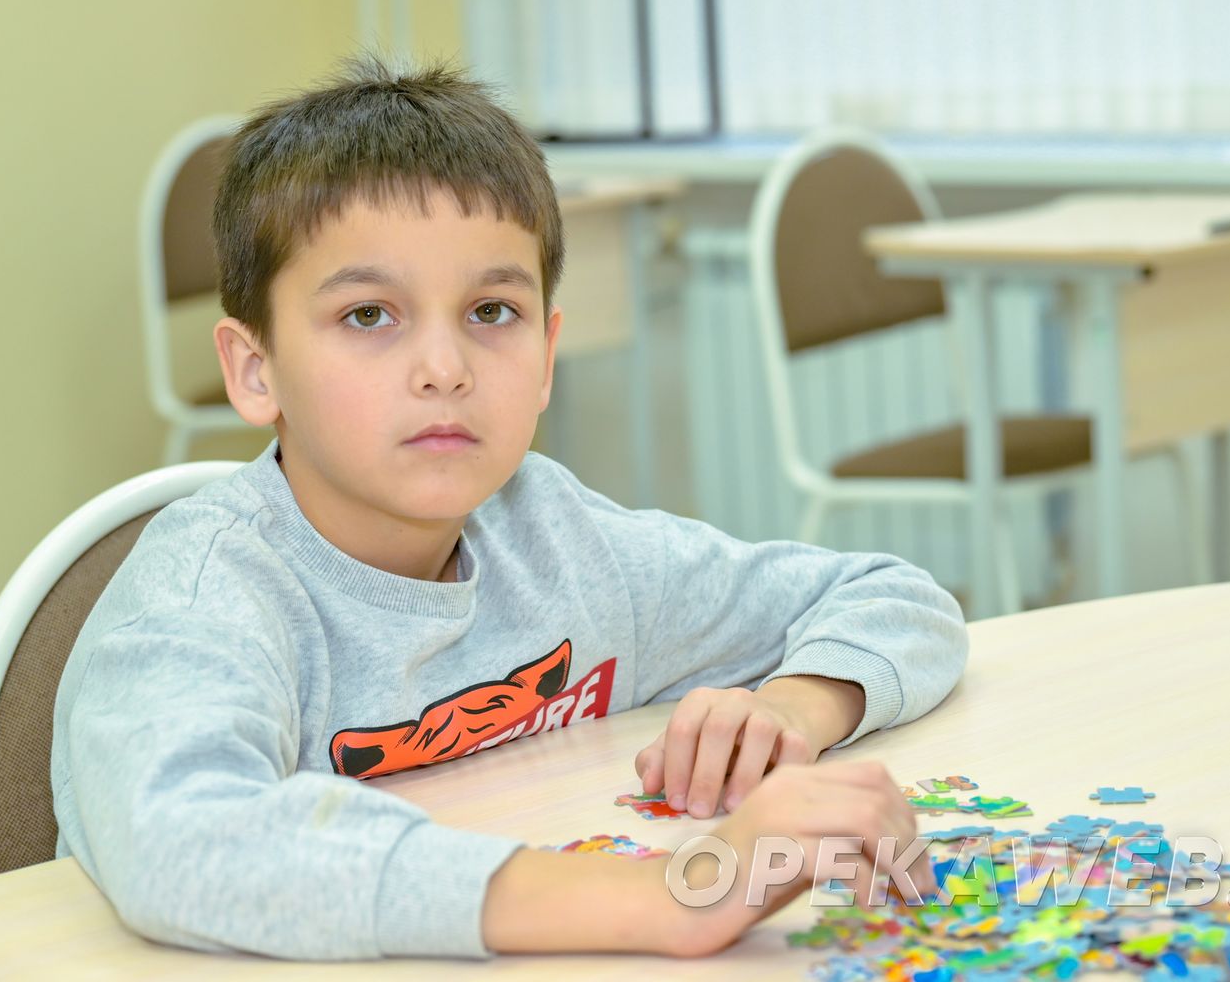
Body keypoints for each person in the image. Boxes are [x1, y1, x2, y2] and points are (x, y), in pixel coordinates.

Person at [50, 54, 969, 961]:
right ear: (255, 370)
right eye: (368, 315)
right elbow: (177, 840)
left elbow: (894, 596)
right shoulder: (208, 593)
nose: (444, 369)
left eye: (492, 312)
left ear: (546, 356)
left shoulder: (559, 538)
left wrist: (793, 710)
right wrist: (663, 896)